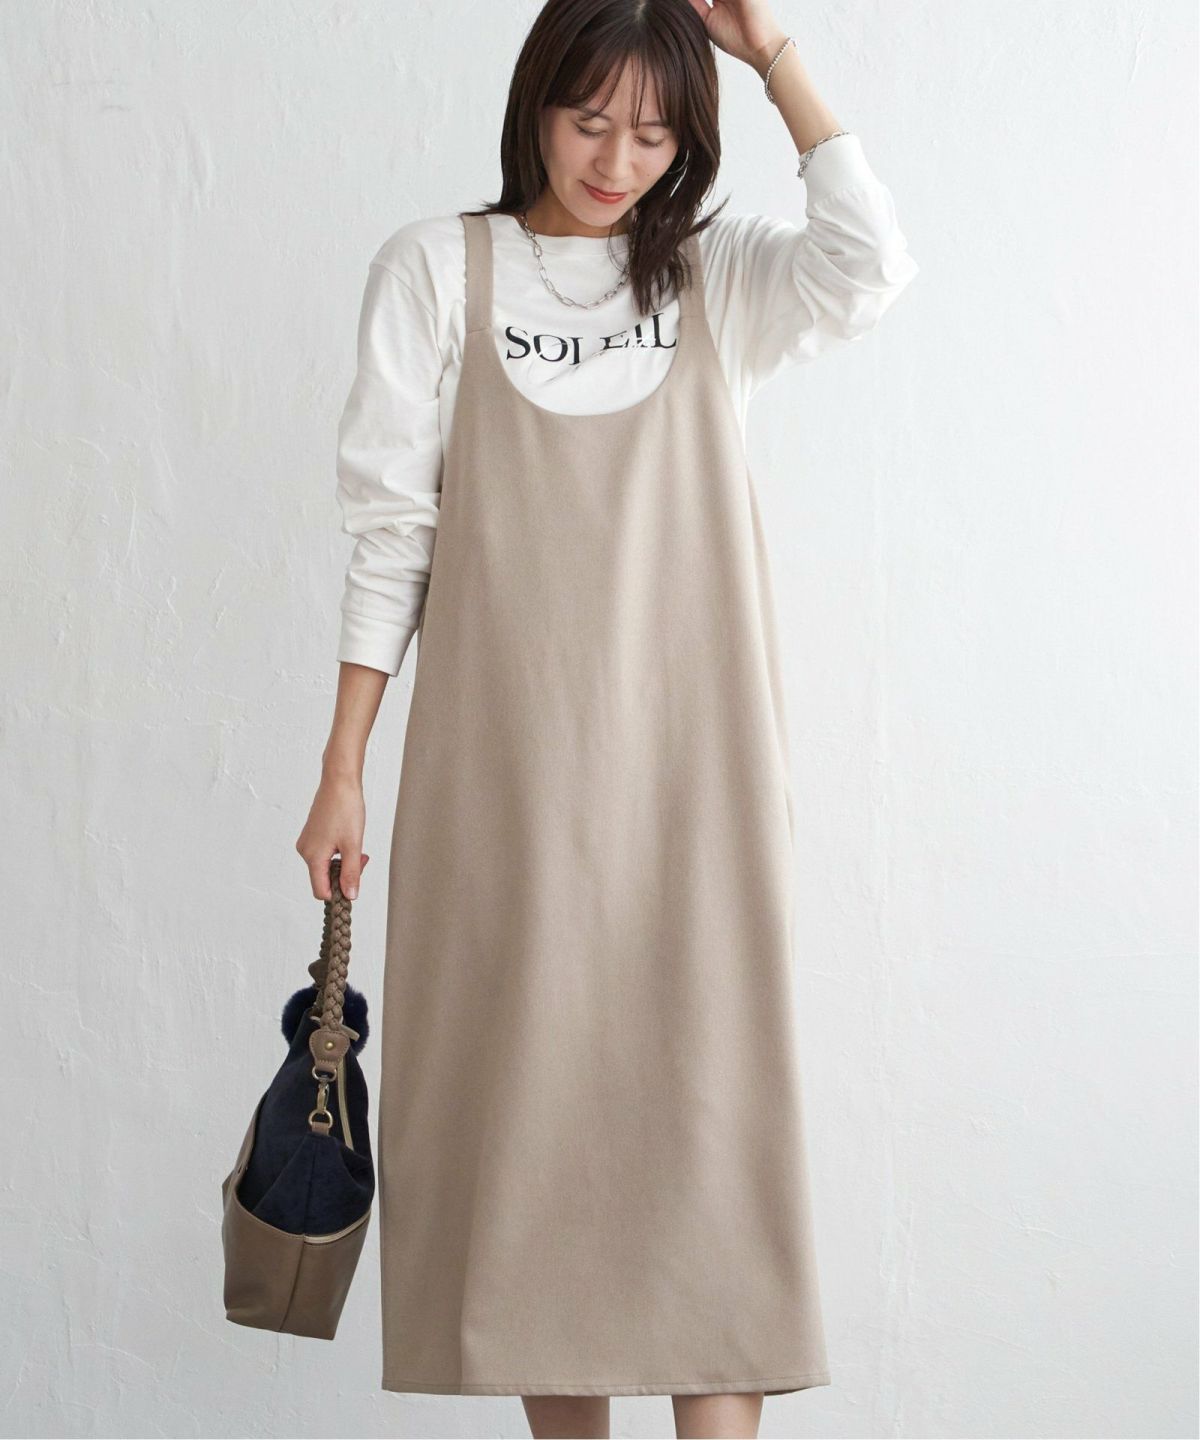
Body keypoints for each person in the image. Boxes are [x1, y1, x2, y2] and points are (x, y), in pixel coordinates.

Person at [296, 1, 917, 1435]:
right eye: (590, 122)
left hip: (698, 789)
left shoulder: (716, 276)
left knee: (715, 1151)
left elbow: (871, 266)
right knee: (537, 1158)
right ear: (537, 103)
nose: (616, 161)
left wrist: (773, 58)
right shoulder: (436, 270)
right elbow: (392, 538)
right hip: (503, 786)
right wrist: (343, 770)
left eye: (653, 135)